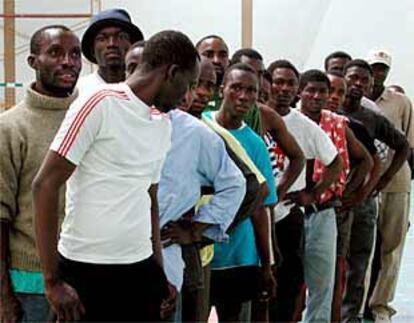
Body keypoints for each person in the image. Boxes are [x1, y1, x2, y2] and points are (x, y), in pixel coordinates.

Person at [31, 30, 200, 322]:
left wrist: (159, 274)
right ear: (172, 73)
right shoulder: (99, 103)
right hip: (85, 271)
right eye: (189, 83)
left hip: (139, 270)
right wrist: (52, 281)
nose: (188, 95)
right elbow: (44, 185)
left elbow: (150, 200)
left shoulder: (161, 123)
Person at [0, 25, 81, 322]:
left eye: (74, 54)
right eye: (55, 53)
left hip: (85, 277)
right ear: (33, 61)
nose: (68, 62)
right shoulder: (10, 127)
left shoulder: (88, 119)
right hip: (30, 287)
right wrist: (4, 297)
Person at [265, 59, 342, 323]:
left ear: (297, 89)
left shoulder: (305, 127)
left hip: (287, 217)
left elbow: (335, 162)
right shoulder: (252, 116)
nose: (284, 89)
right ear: (268, 83)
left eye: (290, 84)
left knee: (287, 286)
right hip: (253, 218)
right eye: (278, 82)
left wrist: (313, 194)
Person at [204, 63, 278, 322]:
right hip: (201, 251)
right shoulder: (201, 125)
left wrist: (266, 265)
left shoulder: (256, 145)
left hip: (239, 253)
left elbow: (261, 208)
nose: (244, 96)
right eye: (236, 88)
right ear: (222, 89)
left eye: (251, 91)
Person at [340, 59, 409, 322]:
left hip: (363, 201)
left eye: (363, 80)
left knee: (359, 261)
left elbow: (402, 146)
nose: (357, 84)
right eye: (353, 78)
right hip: (331, 201)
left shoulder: (372, 118)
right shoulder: (326, 112)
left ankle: (353, 315)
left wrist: (380, 182)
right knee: (334, 263)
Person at [326, 70, 381, 322]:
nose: (333, 97)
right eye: (330, 90)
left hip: (336, 208)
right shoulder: (298, 121)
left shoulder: (351, 125)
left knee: (343, 267)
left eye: (340, 92)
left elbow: (370, 161)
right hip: (303, 210)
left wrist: (356, 194)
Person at [366, 50, 414, 322]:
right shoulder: (356, 101)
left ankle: (380, 306)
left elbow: (410, 146)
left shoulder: (401, 103)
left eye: (382, 69)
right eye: (374, 68)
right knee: (363, 249)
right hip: (363, 187)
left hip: (395, 185)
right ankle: (359, 304)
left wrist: (402, 182)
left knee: (391, 248)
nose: (377, 73)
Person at [77, 8, 144, 94]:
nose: (111, 44)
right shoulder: (79, 91)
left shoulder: (145, 91)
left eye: (121, 37)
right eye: (102, 39)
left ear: (132, 46)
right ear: (92, 50)